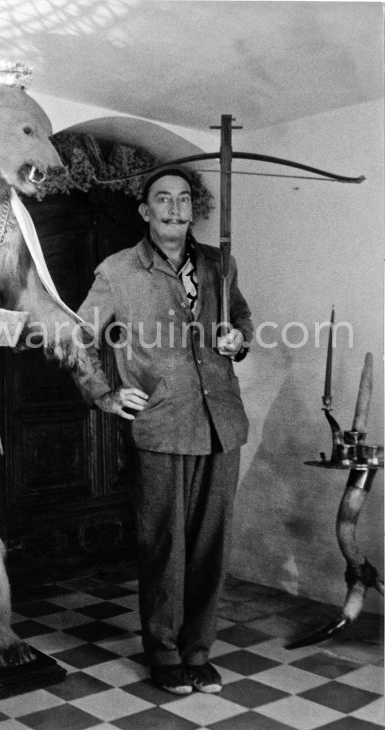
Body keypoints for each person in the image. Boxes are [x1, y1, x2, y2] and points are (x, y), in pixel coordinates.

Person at [74, 167, 253, 695]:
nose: (174, 209)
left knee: (210, 546)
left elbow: (242, 320)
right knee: (163, 546)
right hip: (160, 424)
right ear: (144, 211)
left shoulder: (220, 264)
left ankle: (198, 652)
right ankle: (165, 654)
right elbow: (78, 338)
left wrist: (236, 339)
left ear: (191, 210)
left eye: (182, 200)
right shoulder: (119, 270)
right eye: (162, 200)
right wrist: (103, 393)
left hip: (222, 425)